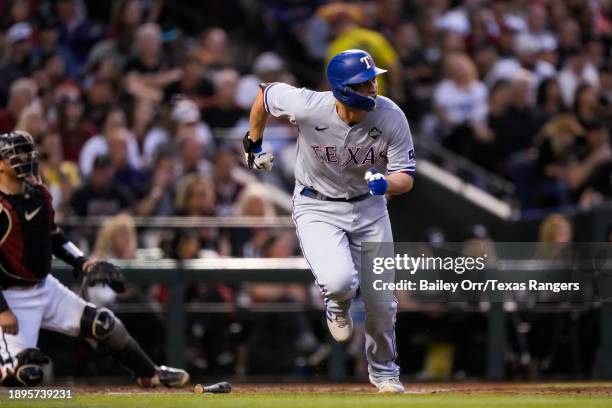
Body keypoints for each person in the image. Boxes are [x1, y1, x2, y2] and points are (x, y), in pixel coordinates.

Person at [244, 49, 415, 393]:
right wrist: (253, 143)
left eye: (372, 80)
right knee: (339, 282)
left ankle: (384, 371)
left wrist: (387, 183)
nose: (372, 88)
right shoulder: (310, 105)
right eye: (364, 83)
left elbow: (406, 175)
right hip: (316, 205)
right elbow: (265, 94)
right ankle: (336, 304)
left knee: (381, 299)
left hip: (369, 206)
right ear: (343, 89)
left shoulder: (391, 115)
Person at [0, 130, 188, 387]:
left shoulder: (38, 192)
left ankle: (151, 373)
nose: (25, 157)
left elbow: (55, 236)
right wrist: (2, 311)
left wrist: (84, 263)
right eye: (16, 153)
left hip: (45, 286)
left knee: (104, 324)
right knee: (24, 378)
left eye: (27, 151)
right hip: (10, 297)